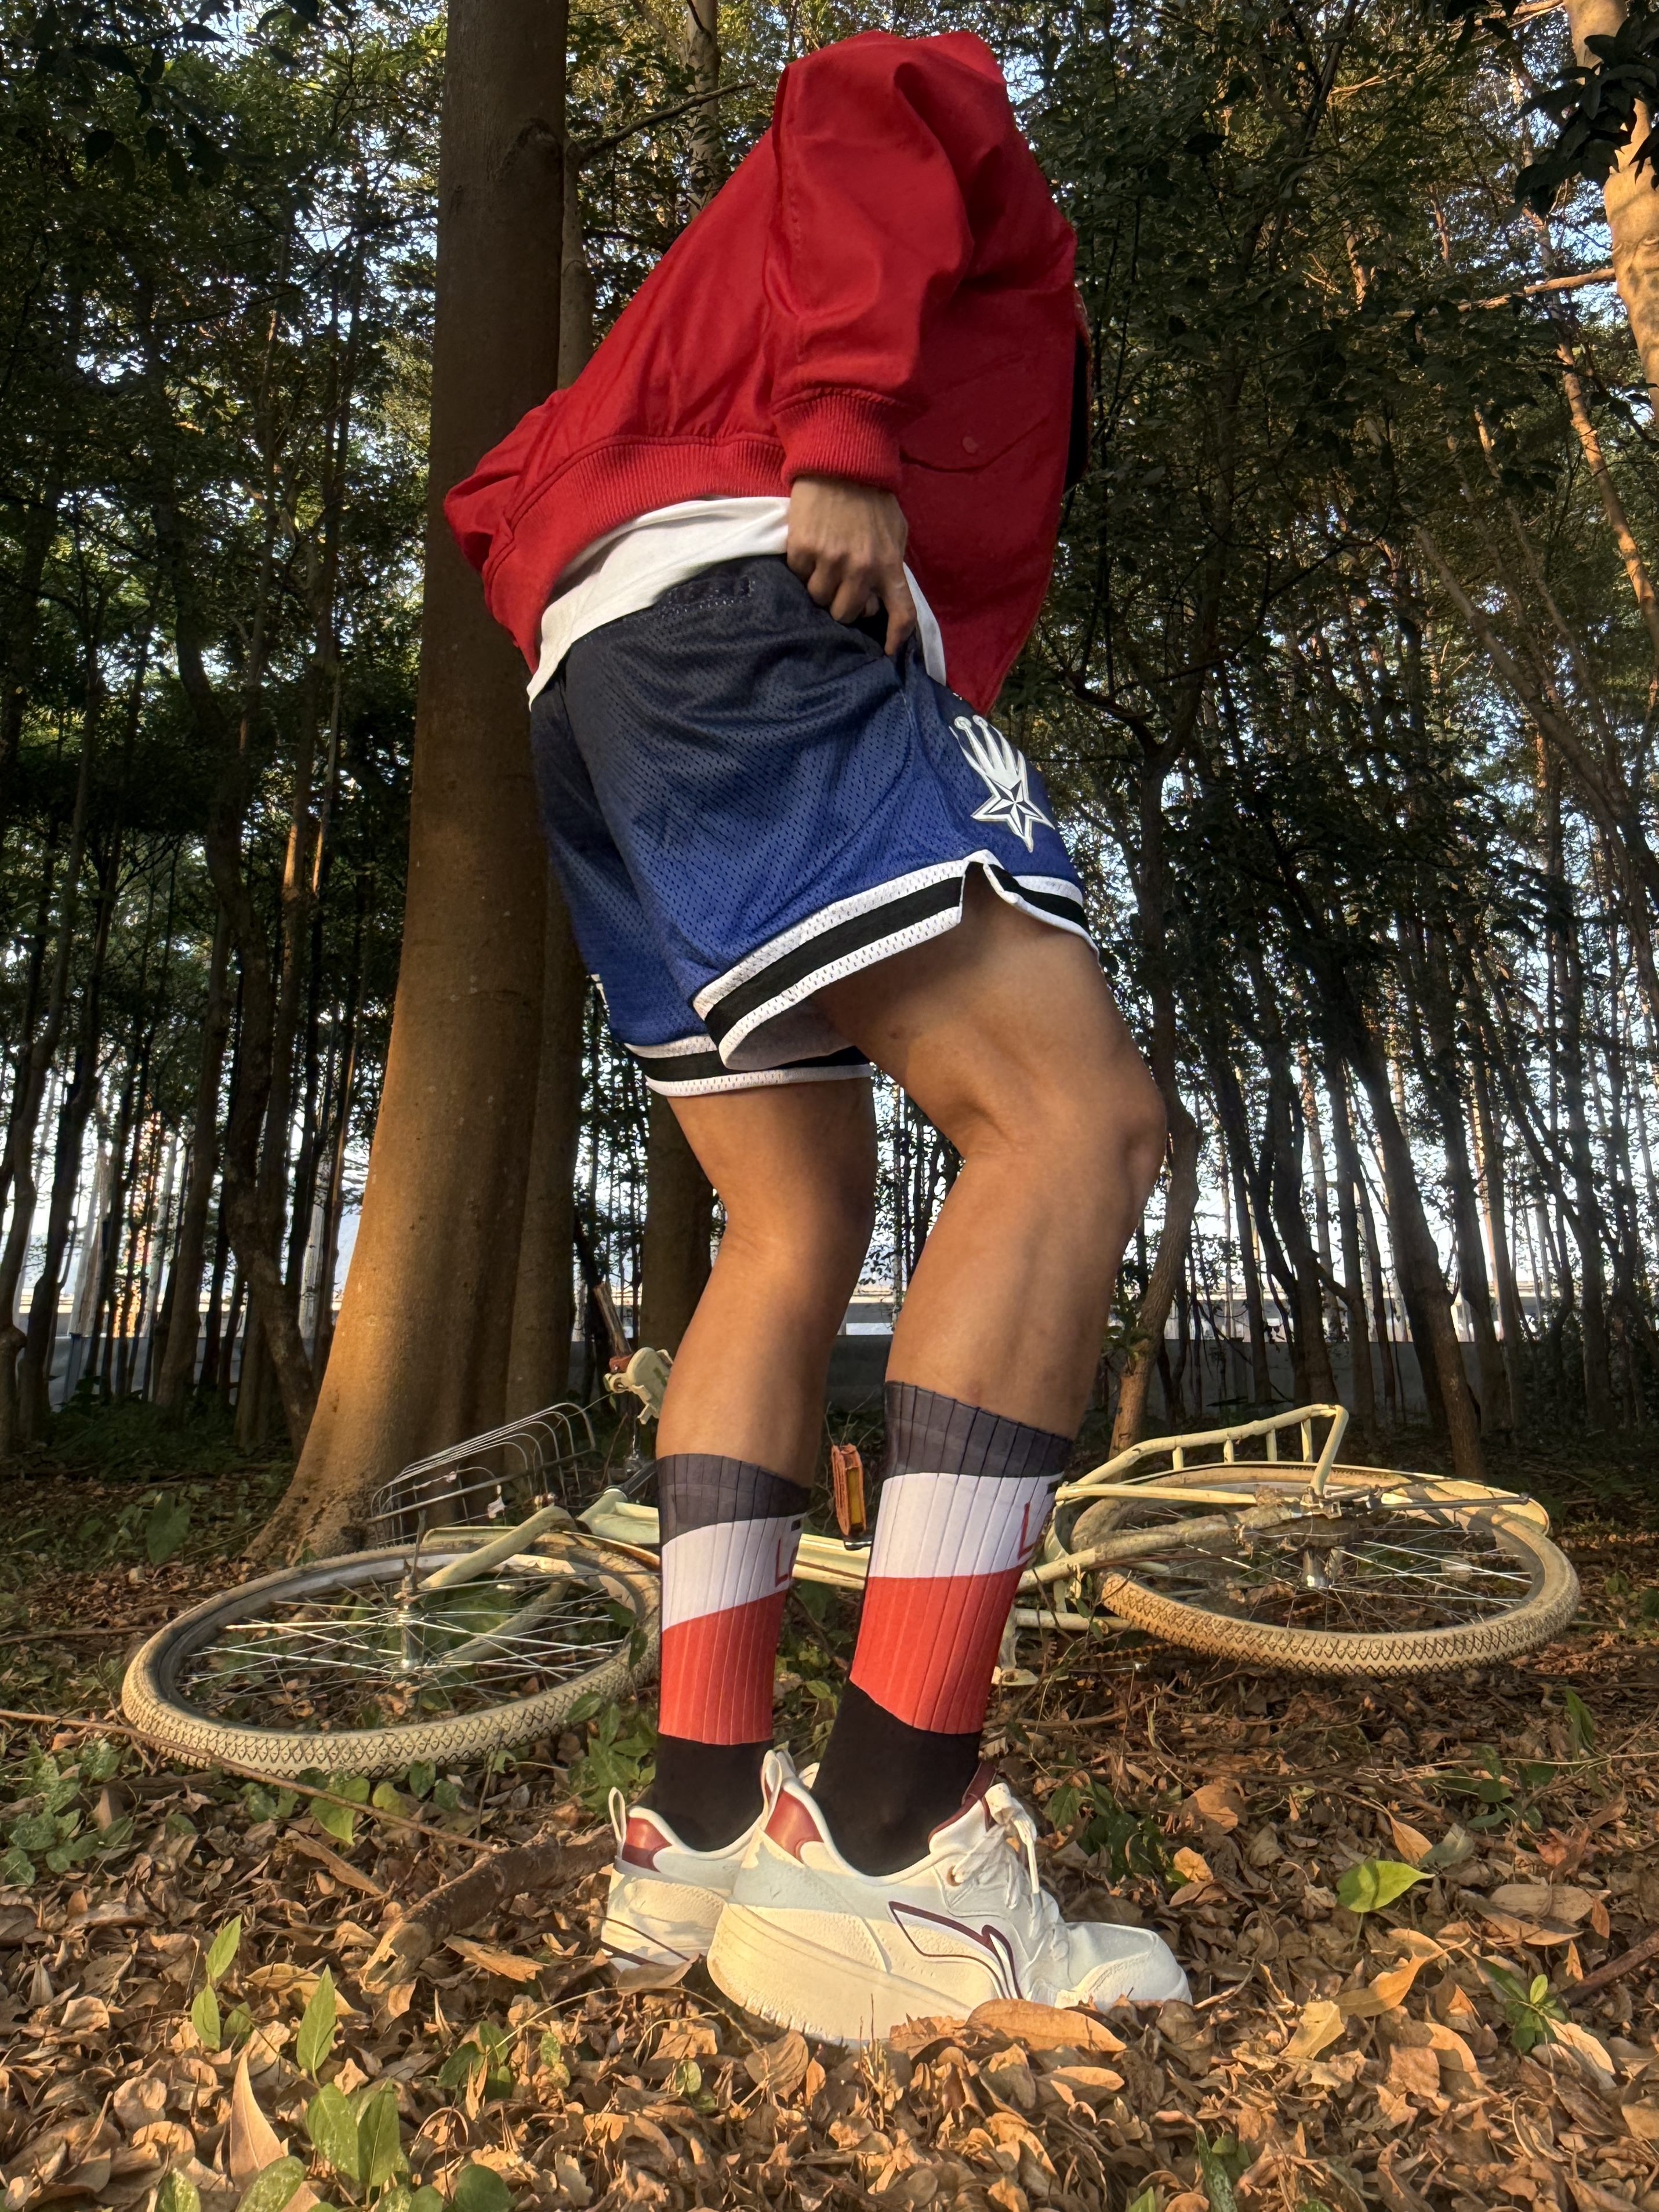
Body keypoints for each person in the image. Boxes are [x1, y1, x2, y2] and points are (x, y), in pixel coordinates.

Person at [446, 27, 1187, 2043]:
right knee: (1075, 1121)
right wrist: (846, 430)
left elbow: (523, 487)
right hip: (749, 593)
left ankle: (701, 1828)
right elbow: (873, 90)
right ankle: (884, 1846)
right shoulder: (1001, 209)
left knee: (787, 1229)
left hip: (606, 665)